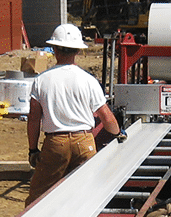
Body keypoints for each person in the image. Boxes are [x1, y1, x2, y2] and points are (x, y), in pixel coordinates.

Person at [25, 24, 124, 207]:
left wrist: (33, 149)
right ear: (78, 51)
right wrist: (118, 134)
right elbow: (106, 116)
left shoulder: (41, 81)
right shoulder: (88, 80)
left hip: (56, 144)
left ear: (54, 49)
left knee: (38, 197)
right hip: (84, 142)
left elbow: (33, 119)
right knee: (85, 195)